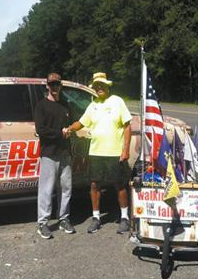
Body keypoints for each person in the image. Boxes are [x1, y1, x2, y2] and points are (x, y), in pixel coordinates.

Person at [67, 72, 132, 234]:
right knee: (95, 185)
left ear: (107, 86)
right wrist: (69, 128)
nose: (99, 88)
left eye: (102, 85)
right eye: (96, 86)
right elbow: (81, 123)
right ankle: (96, 218)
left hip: (115, 152)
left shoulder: (117, 101)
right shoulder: (93, 105)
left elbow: (127, 126)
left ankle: (124, 218)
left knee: (119, 185)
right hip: (96, 152)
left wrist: (125, 150)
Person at [34, 73, 75, 239]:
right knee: (46, 189)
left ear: (61, 85)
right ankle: (42, 222)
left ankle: (64, 218)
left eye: (57, 84)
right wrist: (61, 133)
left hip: (65, 153)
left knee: (66, 188)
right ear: (47, 86)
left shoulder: (66, 105)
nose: (54, 87)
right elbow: (41, 130)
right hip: (49, 154)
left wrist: (71, 130)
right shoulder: (41, 106)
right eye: (51, 84)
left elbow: (71, 126)